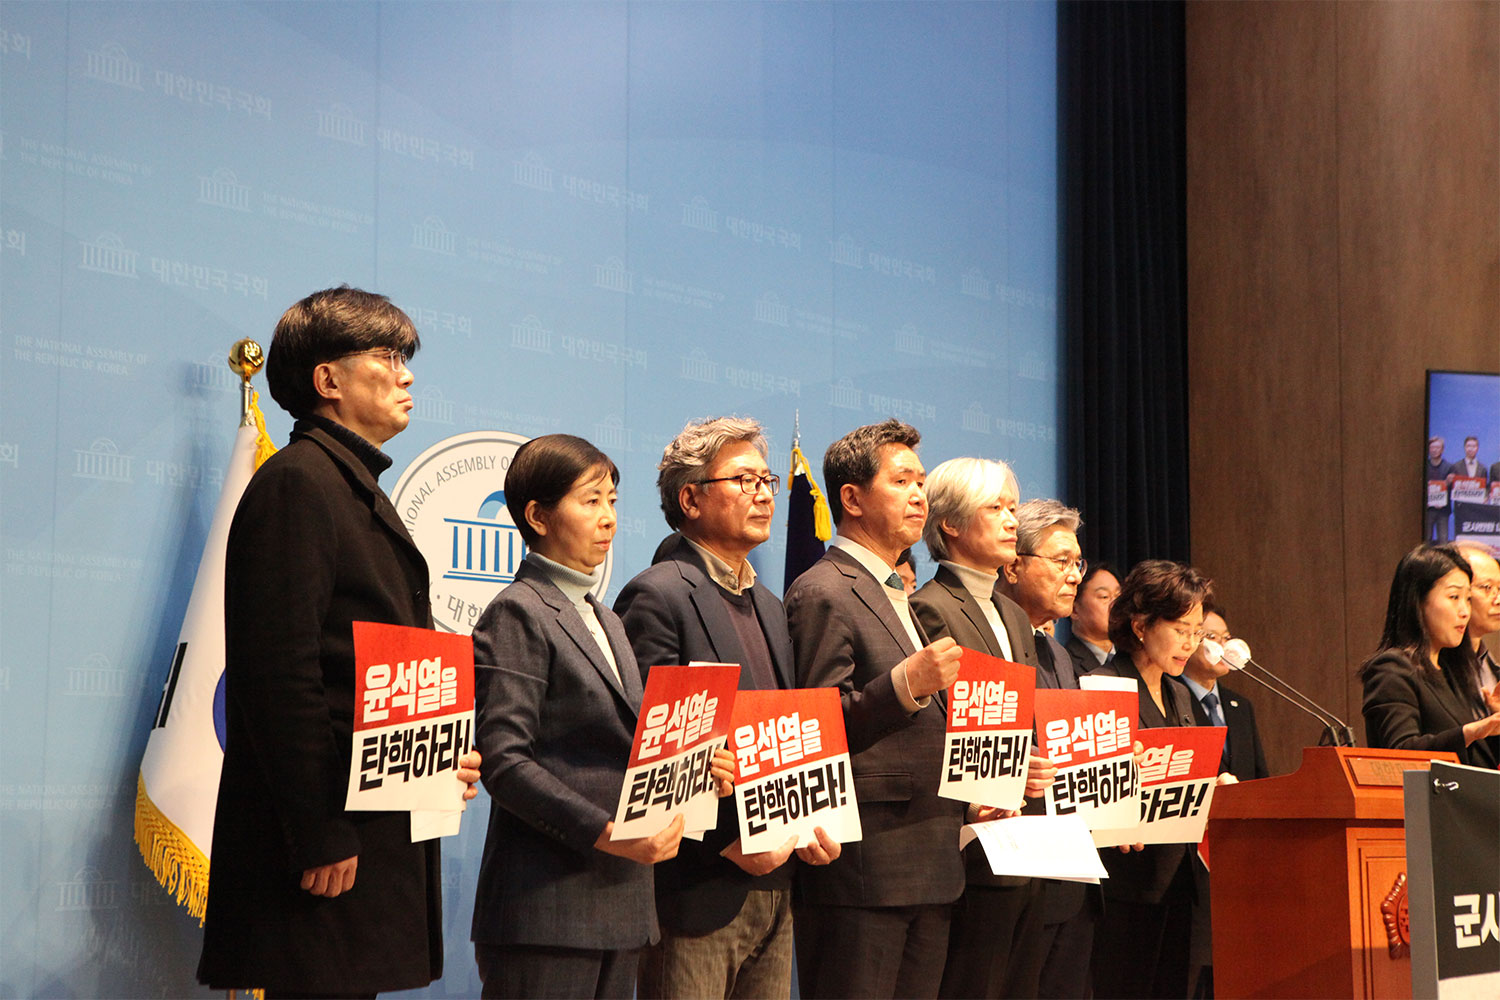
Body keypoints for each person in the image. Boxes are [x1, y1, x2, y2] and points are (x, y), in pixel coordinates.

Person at [199, 286, 482, 998]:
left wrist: (438, 755)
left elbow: (370, 669)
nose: (407, 374)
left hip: (373, 830)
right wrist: (320, 829)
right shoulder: (298, 483)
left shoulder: (353, 487)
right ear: (328, 380)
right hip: (323, 844)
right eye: (388, 357)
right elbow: (279, 674)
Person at [468, 434, 733, 999]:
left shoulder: (606, 618)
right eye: (590, 501)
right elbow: (504, 761)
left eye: (612, 500)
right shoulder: (519, 611)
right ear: (538, 515)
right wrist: (605, 833)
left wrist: (698, 766)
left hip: (625, 904)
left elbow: (635, 748)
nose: (608, 518)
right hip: (547, 907)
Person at [614, 417, 839, 1000]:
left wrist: (815, 821)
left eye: (767, 478)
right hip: (699, 885)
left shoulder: (768, 602)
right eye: (743, 480)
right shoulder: (658, 594)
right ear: (691, 498)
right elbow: (647, 750)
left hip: (778, 879)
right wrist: (727, 847)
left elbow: (785, 735)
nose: (764, 492)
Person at [783, 419, 966, 999]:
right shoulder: (825, 590)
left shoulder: (896, 591)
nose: (920, 494)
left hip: (931, 857)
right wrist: (905, 685)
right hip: (865, 868)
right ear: (853, 498)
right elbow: (815, 725)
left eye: (922, 480)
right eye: (902, 480)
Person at [909, 457, 1056, 999]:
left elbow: (1020, 718)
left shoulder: (1013, 613)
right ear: (950, 524)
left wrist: (1035, 759)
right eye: (995, 508)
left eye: (1012, 508)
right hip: (971, 843)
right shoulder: (929, 607)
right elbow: (941, 723)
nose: (1011, 520)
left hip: (1025, 838)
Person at [1090, 559, 1224, 1000]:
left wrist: (1213, 787)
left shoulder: (1180, 692)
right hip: (1127, 884)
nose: (1191, 643)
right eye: (1181, 629)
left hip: (1181, 881)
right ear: (1142, 625)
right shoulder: (1103, 685)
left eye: (1197, 631)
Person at [996, 498, 1095, 999]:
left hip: (1067, 876)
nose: (1074, 575)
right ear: (1013, 564)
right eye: (1061, 561)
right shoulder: (984, 638)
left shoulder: (1057, 650)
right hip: (1007, 874)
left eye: (1077, 563)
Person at [1174, 601, 1269, 999]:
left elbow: (1260, 777)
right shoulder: (1176, 698)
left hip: (1238, 857)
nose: (1220, 646)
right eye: (1209, 637)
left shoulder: (1239, 706)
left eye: (1225, 638)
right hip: (1193, 858)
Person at [1359, 543, 1500, 769]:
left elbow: (1478, 763)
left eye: (1468, 599)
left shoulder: (1452, 670)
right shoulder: (1391, 668)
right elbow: (1398, 753)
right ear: (1418, 601)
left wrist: (1494, 723)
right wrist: (1470, 731)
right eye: (1454, 597)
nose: (1465, 611)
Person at [1458, 542, 1500, 694]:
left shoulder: (1488, 664)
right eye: (1487, 587)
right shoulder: (1434, 667)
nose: (1498, 599)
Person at [1067, 562, 1120, 675]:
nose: (1115, 604)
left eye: (1118, 596)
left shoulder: (1131, 658)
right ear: (1074, 610)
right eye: (1104, 596)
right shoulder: (1065, 662)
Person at [1425, 436, 1453, 542]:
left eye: (1437, 447)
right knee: (1425, 539)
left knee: (1443, 540)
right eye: (1432, 447)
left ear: (1442, 449)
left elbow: (1454, 490)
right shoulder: (1423, 466)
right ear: (1428, 449)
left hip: (1443, 510)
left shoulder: (1449, 467)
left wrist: (1448, 483)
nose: (1435, 450)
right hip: (1427, 510)